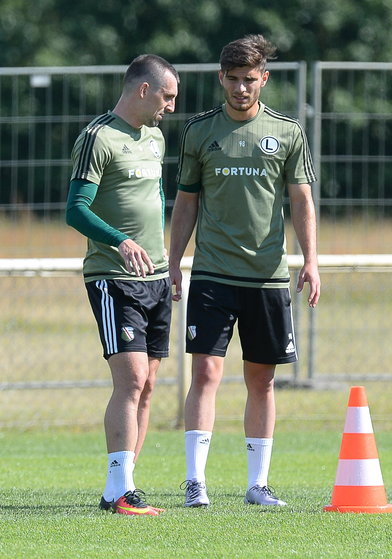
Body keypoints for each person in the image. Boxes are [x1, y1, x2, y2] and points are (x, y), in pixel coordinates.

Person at [169, 34, 320, 508]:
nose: (240, 88)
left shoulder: (289, 132)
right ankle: (196, 481)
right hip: (213, 273)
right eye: (232, 80)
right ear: (220, 78)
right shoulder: (198, 131)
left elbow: (301, 201)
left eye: (249, 80)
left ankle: (258, 484)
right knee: (207, 373)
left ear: (264, 79)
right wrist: (174, 262)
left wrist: (312, 260)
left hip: (268, 275)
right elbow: (186, 203)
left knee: (262, 379)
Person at [66, 54, 179, 515]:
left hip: (155, 275)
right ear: (144, 90)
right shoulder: (97, 138)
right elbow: (76, 209)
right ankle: (118, 492)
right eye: (168, 96)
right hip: (114, 277)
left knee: (148, 385)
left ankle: (124, 486)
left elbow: (153, 201)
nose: (171, 107)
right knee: (131, 379)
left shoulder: (155, 137)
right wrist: (120, 241)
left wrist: (166, 260)